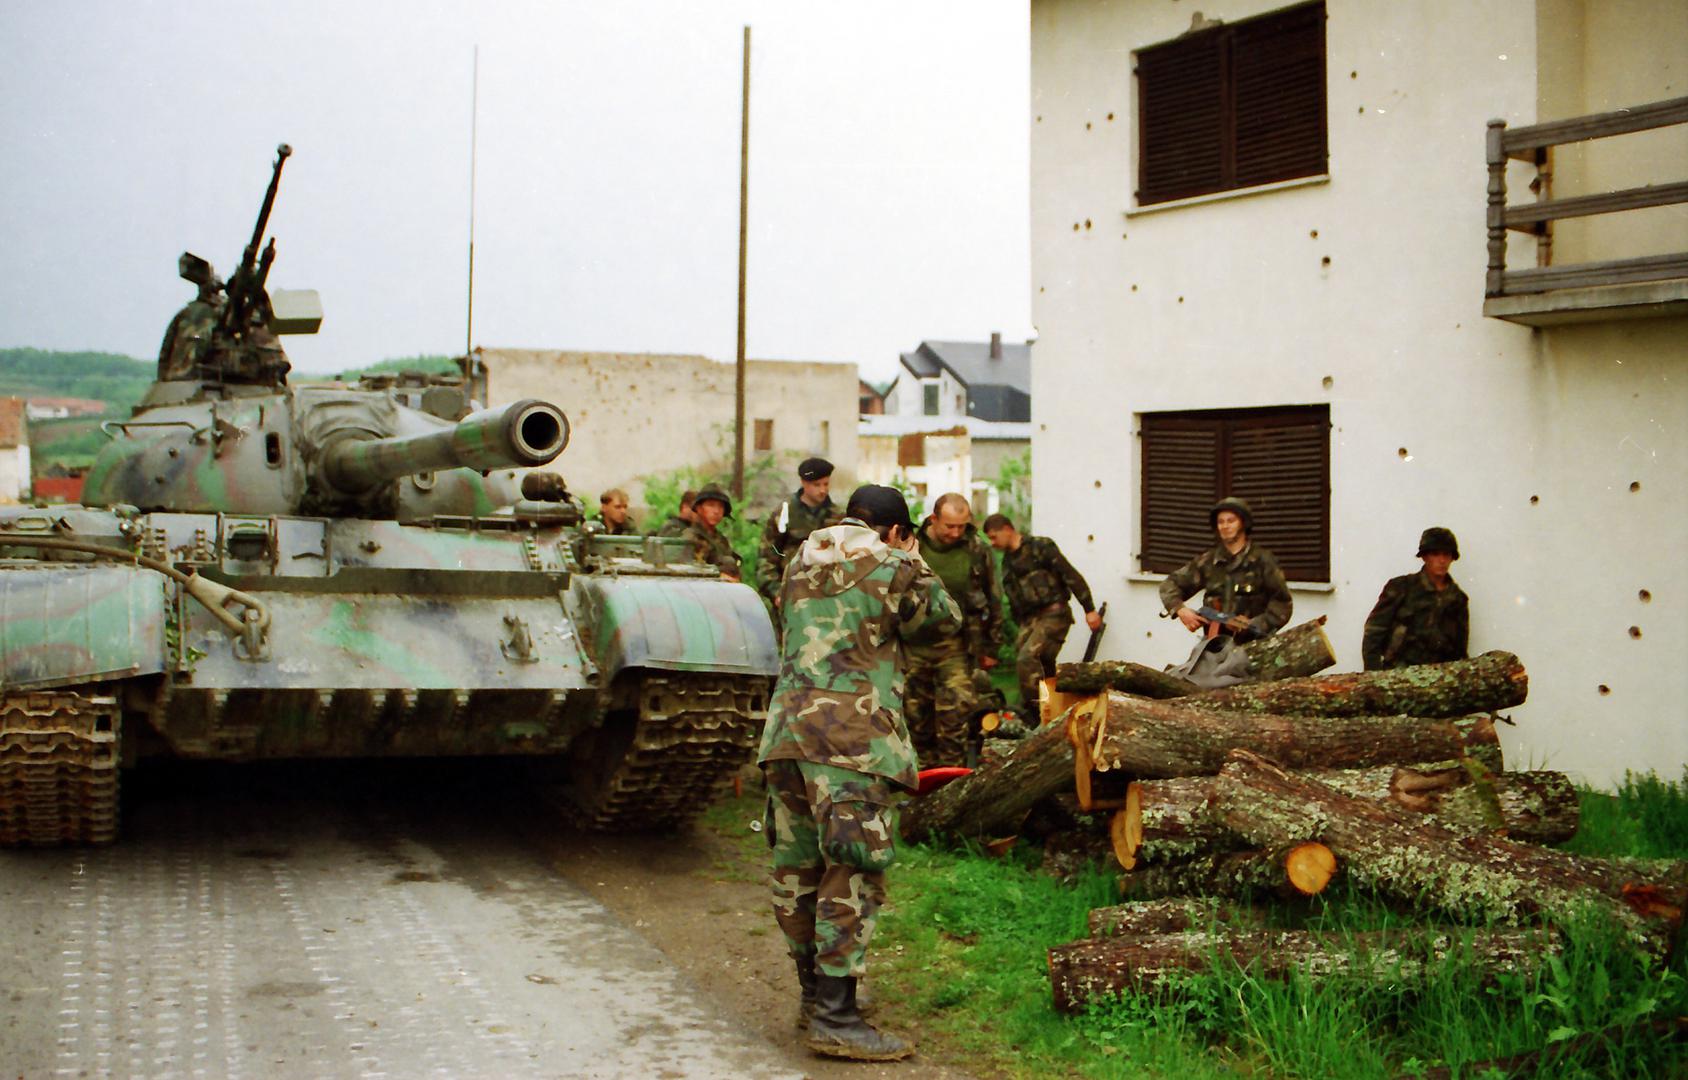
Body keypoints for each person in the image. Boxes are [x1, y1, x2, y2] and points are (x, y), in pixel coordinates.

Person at [757, 484, 958, 1061]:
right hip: (852, 742)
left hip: (788, 736)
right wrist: (912, 559)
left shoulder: (798, 560)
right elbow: (943, 621)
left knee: (797, 870)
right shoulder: (895, 565)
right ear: (895, 530)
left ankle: (814, 997)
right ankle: (837, 1016)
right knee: (852, 870)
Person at [906, 493, 1005, 766]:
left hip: (957, 646)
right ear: (934, 519)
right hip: (914, 645)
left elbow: (994, 597)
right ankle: (925, 778)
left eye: (961, 526)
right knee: (917, 716)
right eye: (949, 526)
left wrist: (991, 646)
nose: (955, 532)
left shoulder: (976, 549)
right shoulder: (912, 545)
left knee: (956, 714)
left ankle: (951, 779)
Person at [982, 513, 1101, 714]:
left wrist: (1089, 609)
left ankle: (1037, 713)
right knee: (1039, 664)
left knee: (1028, 659)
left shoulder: (1040, 547)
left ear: (1007, 529)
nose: (992, 543)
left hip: (1054, 613)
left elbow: (1070, 575)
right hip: (1030, 620)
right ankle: (1054, 708)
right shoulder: (1008, 564)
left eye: (994, 537)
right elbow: (1013, 601)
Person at [1159, 496, 1292, 642]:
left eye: (1231, 521)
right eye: (1220, 522)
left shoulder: (1263, 561)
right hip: (1215, 645)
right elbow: (1170, 584)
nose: (1225, 526)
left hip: (1254, 645)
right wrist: (1180, 610)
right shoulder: (1208, 562)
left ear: (1243, 523)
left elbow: (1282, 604)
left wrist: (1252, 625)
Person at [1362, 527, 1469, 670]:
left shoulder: (1458, 599)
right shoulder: (1401, 587)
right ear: (1424, 557)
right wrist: (1373, 675)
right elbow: (1374, 631)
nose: (1442, 560)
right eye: (1435, 554)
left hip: (1440, 678)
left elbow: (1460, 648)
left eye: (1446, 554)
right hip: (1398, 673)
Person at [756, 457, 843, 615]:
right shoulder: (784, 515)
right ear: (804, 483)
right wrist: (776, 593)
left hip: (827, 599)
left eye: (826, 484)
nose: (822, 490)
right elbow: (767, 558)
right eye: (817, 485)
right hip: (791, 596)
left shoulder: (838, 517)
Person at [681, 485, 742, 580]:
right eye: (711, 505)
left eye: (720, 506)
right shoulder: (690, 537)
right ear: (699, 508)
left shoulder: (722, 540)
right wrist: (718, 577)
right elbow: (685, 572)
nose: (716, 511)